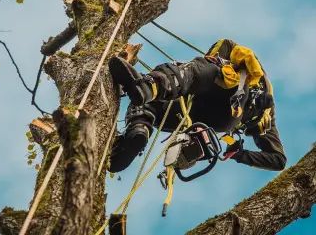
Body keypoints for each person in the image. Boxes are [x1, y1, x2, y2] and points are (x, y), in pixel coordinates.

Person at [108, 39, 286, 173]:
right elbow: (278, 160)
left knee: (202, 68)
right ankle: (137, 134)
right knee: (146, 103)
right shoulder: (268, 119)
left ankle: (151, 85)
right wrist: (239, 154)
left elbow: (213, 57)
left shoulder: (248, 71)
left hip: (231, 102)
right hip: (208, 119)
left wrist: (240, 153)